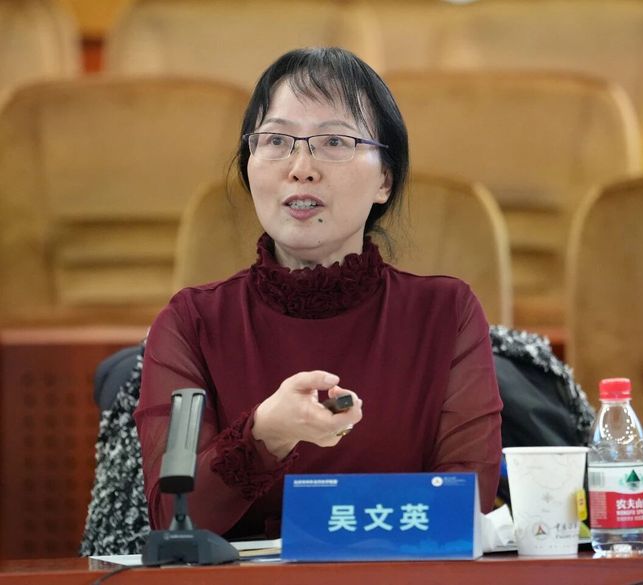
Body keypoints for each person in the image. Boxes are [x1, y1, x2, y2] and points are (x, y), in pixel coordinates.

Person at [135, 47, 503, 540]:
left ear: (385, 180)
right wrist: (266, 434)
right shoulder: (191, 322)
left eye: (334, 141)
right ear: (249, 165)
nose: (301, 167)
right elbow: (173, 518)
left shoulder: (446, 314)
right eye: (276, 140)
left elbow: (464, 505)